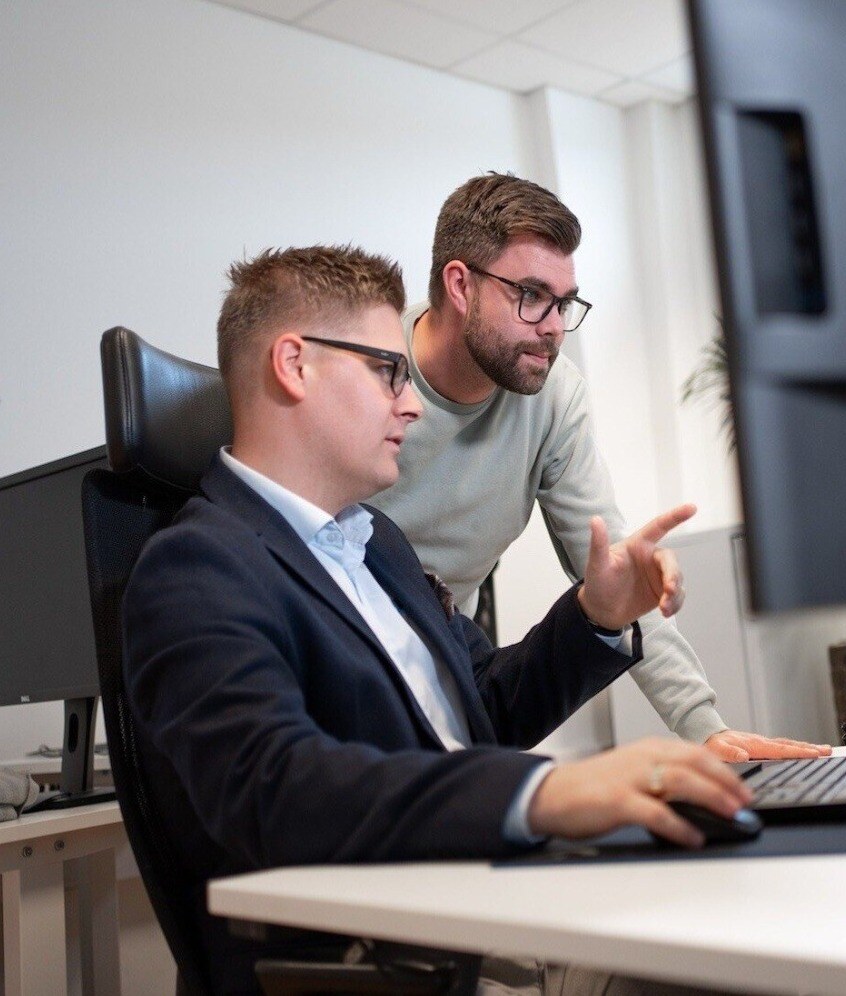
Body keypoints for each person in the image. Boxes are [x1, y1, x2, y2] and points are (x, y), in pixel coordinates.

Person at [124, 245, 755, 996]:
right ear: (294, 365)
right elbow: (276, 787)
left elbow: (485, 705)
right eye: (387, 371)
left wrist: (598, 616)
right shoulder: (196, 567)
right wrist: (542, 793)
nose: (413, 403)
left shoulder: (377, 544)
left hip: (490, 903)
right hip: (394, 957)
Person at [369, 172, 830, 763]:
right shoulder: (367, 368)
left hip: (438, 657)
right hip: (333, 649)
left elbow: (615, 568)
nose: (554, 327)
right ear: (459, 285)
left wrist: (704, 727)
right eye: (531, 295)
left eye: (564, 303)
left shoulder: (554, 396)